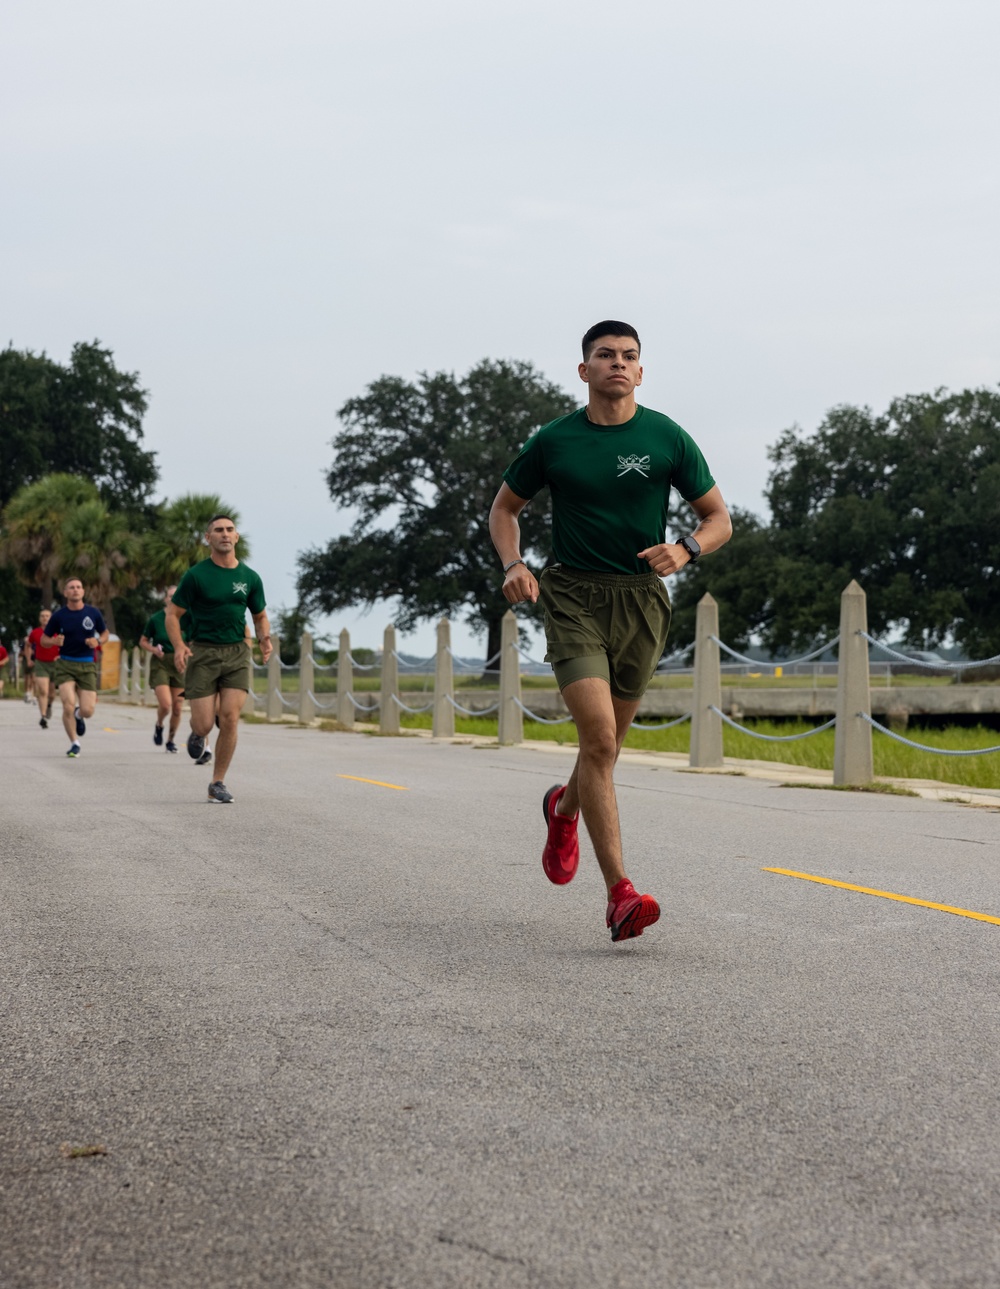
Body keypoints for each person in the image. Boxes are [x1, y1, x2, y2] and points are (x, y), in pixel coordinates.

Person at [489, 321, 732, 942]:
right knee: (597, 740)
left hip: (642, 601)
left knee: (608, 748)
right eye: (605, 355)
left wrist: (686, 550)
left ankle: (563, 809)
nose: (617, 364)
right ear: (584, 370)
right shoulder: (554, 440)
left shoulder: (666, 436)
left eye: (629, 357)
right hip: (571, 595)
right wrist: (514, 564)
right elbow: (504, 508)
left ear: (641, 372)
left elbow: (718, 518)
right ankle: (620, 893)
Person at [167, 514, 272, 803]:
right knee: (203, 723)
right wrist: (178, 645)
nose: (225, 534)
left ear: (236, 537)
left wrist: (264, 639)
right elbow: (173, 615)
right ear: (208, 538)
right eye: (218, 530)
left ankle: (217, 782)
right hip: (203, 652)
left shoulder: (250, 577)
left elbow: (260, 615)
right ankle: (198, 734)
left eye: (229, 530)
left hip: (238, 652)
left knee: (230, 718)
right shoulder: (196, 576)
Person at [41, 578, 110, 757]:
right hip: (65, 663)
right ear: (65, 593)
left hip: (87, 664)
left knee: (88, 710)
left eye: (79, 587)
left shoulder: (93, 613)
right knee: (68, 705)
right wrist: (54, 641)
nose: (75, 590)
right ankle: (74, 743)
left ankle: (79, 716)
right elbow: (44, 640)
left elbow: (105, 633)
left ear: (83, 591)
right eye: (71, 587)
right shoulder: (58, 616)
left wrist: (98, 641)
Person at [139, 587, 191, 753]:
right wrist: (153, 649)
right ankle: (159, 724)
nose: (174, 599)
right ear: (165, 599)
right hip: (161, 662)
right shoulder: (156, 619)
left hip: (180, 663)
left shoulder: (186, 618)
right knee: (166, 704)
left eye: (177, 596)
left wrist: (188, 651)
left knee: (177, 707)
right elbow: (143, 641)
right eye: (170, 596)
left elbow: (191, 641)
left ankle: (170, 740)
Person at [27, 609, 60, 728]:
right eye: (42, 616)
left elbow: (66, 645)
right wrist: (29, 659)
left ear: (51, 618)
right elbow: (28, 645)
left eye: (47, 616)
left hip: (55, 664)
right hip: (41, 663)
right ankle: (43, 716)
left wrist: (61, 656)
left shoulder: (58, 631)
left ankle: (49, 705)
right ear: (39, 618)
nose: (45, 618)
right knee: (43, 691)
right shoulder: (35, 632)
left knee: (52, 694)